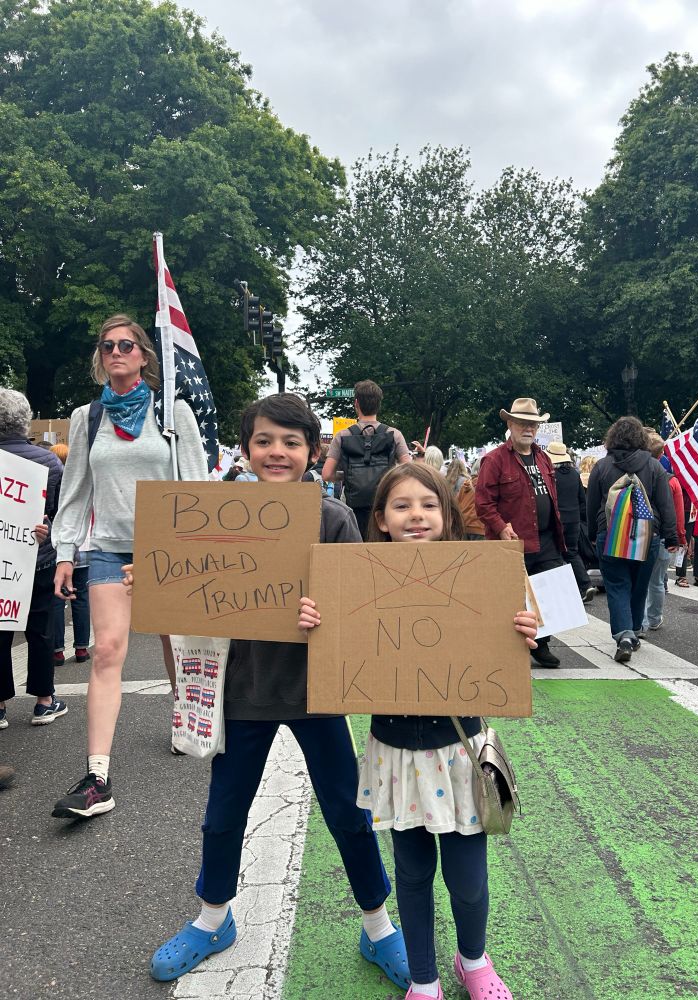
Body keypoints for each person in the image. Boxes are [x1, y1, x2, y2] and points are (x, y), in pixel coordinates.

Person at [147, 393, 409, 990]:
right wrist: (155, 581)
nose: (277, 452)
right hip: (241, 691)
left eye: (291, 442)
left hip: (315, 691)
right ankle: (213, 917)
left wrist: (331, 611)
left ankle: (377, 925)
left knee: (348, 810)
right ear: (245, 449)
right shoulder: (211, 513)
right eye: (264, 441)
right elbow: (181, 582)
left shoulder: (333, 518)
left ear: (313, 452)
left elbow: (362, 604)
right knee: (223, 813)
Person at [299, 463, 538, 1000]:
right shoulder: (351, 579)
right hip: (396, 754)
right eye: (402, 506)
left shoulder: (482, 572)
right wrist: (316, 621)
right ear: (380, 518)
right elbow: (334, 646)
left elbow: (515, 640)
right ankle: (424, 977)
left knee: (468, 878)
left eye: (428, 505)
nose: (416, 516)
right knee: (410, 874)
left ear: (447, 514)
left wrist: (523, 629)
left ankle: (473, 960)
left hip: (458, 751)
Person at [50, 314, 207, 819]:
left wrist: (193, 550)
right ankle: (97, 776)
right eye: (107, 346)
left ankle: (185, 715)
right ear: (101, 357)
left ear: (143, 354)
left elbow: (197, 484)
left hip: (165, 548)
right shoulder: (86, 418)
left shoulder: (172, 411)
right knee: (106, 651)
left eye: (127, 344)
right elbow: (76, 492)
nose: (116, 352)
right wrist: (66, 553)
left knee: (172, 641)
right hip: (109, 548)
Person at [475, 397, 566, 668]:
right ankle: (507, 645)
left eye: (533, 424)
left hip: (547, 537)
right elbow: (483, 503)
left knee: (547, 592)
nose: (528, 429)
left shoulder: (544, 458)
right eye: (523, 423)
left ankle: (541, 644)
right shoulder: (494, 460)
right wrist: (501, 526)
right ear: (511, 425)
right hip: (512, 542)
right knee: (511, 596)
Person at [0, 389, 68, 728]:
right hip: (38, 556)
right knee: (40, 629)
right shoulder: (49, 462)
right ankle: (43, 700)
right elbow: (59, 511)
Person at [587, 417, 678, 662]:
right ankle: (635, 630)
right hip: (648, 533)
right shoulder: (654, 467)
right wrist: (671, 535)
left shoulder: (602, 466)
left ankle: (624, 635)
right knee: (639, 586)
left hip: (610, 533)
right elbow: (665, 504)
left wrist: (593, 534)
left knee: (617, 585)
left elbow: (592, 503)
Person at [321, 379, 411, 538]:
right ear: (379, 404)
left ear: (356, 403)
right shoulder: (394, 434)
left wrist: (347, 475)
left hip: (354, 508)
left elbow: (327, 474)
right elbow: (409, 470)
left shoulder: (342, 436)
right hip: (385, 506)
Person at [48, 443, 91, 666]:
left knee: (57, 598)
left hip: (60, 548)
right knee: (81, 598)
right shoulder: (84, 477)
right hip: (85, 544)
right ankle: (82, 648)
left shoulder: (56, 481)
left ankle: (57, 651)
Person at [642, 434, 686, 630]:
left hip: (641, 533)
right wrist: (681, 537)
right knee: (658, 581)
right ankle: (654, 618)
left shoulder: (635, 474)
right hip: (663, 536)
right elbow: (678, 514)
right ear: (661, 455)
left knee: (639, 580)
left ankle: (639, 622)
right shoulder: (672, 481)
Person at [547, 441, 595, 603]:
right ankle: (585, 584)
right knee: (572, 553)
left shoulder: (549, 475)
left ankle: (562, 590)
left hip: (556, 519)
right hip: (573, 520)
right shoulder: (575, 475)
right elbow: (582, 501)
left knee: (554, 554)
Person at [445, 457, 484, 540]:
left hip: (464, 525)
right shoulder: (485, 485)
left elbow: (455, 503)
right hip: (480, 526)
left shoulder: (465, 483)